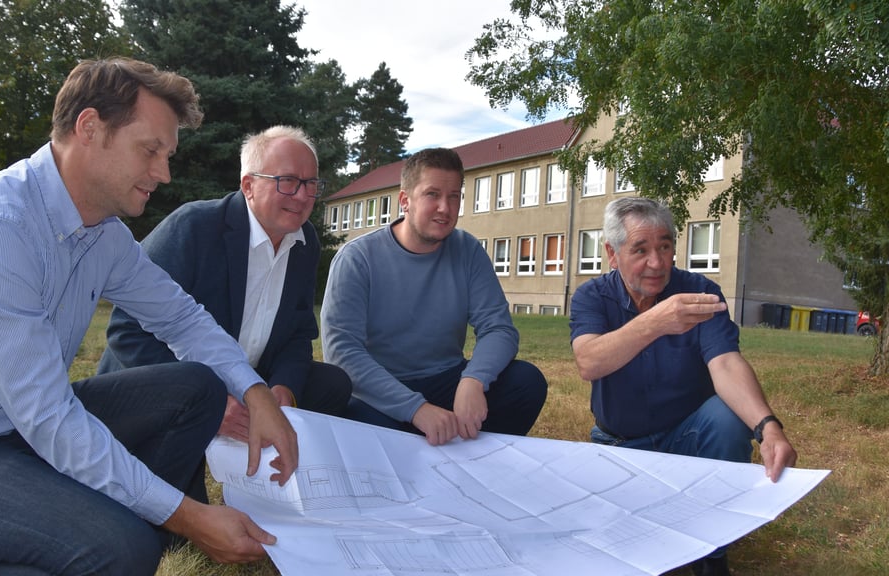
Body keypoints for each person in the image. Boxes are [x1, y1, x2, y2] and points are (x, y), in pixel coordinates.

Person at [0, 57, 298, 575]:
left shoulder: (103, 235)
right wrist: (188, 516)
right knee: (122, 551)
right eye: (150, 150)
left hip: (11, 433)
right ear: (89, 128)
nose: (163, 173)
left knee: (196, 388)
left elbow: (181, 318)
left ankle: (89, 520)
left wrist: (254, 393)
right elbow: (48, 415)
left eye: (168, 154)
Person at [568, 196, 798, 576]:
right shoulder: (592, 296)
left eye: (665, 246)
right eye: (640, 249)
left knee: (727, 419)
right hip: (620, 443)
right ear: (611, 253)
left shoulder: (699, 292)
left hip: (687, 436)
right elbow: (589, 362)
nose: (657, 263)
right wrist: (656, 321)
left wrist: (768, 427)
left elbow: (725, 362)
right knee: (622, 549)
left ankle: (711, 548)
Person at [98, 125, 351, 440]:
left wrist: (283, 387)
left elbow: (299, 333)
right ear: (249, 186)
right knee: (176, 486)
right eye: (287, 182)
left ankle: (271, 480)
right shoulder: (194, 228)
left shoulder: (305, 243)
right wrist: (212, 401)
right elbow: (127, 333)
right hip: (166, 382)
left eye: (310, 184)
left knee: (332, 384)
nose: (301, 196)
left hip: (249, 382)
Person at [321, 147, 548, 446]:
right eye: (432, 194)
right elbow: (341, 352)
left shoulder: (466, 250)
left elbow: (499, 328)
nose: (445, 207)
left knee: (526, 382)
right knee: (357, 425)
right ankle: (419, 441)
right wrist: (416, 409)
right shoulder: (357, 258)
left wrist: (474, 380)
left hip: (447, 378)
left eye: (454, 196)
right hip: (382, 388)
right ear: (405, 201)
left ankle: (476, 461)